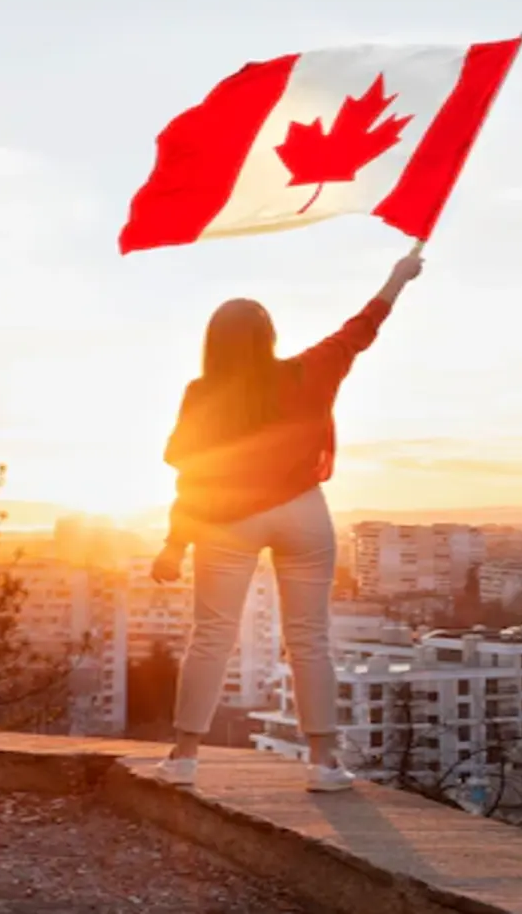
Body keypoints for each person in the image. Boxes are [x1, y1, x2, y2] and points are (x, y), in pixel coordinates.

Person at [150, 248, 425, 792]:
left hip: (228, 518)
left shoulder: (202, 394)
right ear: (269, 337)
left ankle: (183, 757)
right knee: (310, 639)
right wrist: (399, 275)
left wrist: (173, 544)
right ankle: (325, 764)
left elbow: (194, 476)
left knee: (211, 636)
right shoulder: (311, 369)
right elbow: (361, 328)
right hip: (303, 513)